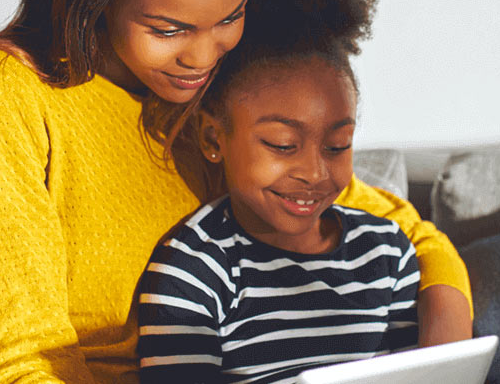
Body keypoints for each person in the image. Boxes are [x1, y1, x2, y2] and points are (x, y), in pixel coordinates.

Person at [0, 0, 471, 383]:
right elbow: (22, 357)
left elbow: (411, 236)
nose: (204, 56)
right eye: (169, 29)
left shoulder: (206, 102)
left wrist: (439, 366)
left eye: (231, 17)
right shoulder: (1, 93)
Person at [137, 37, 422, 382]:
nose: (314, 173)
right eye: (283, 145)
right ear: (214, 139)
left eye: (337, 146)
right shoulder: (194, 273)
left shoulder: (387, 252)